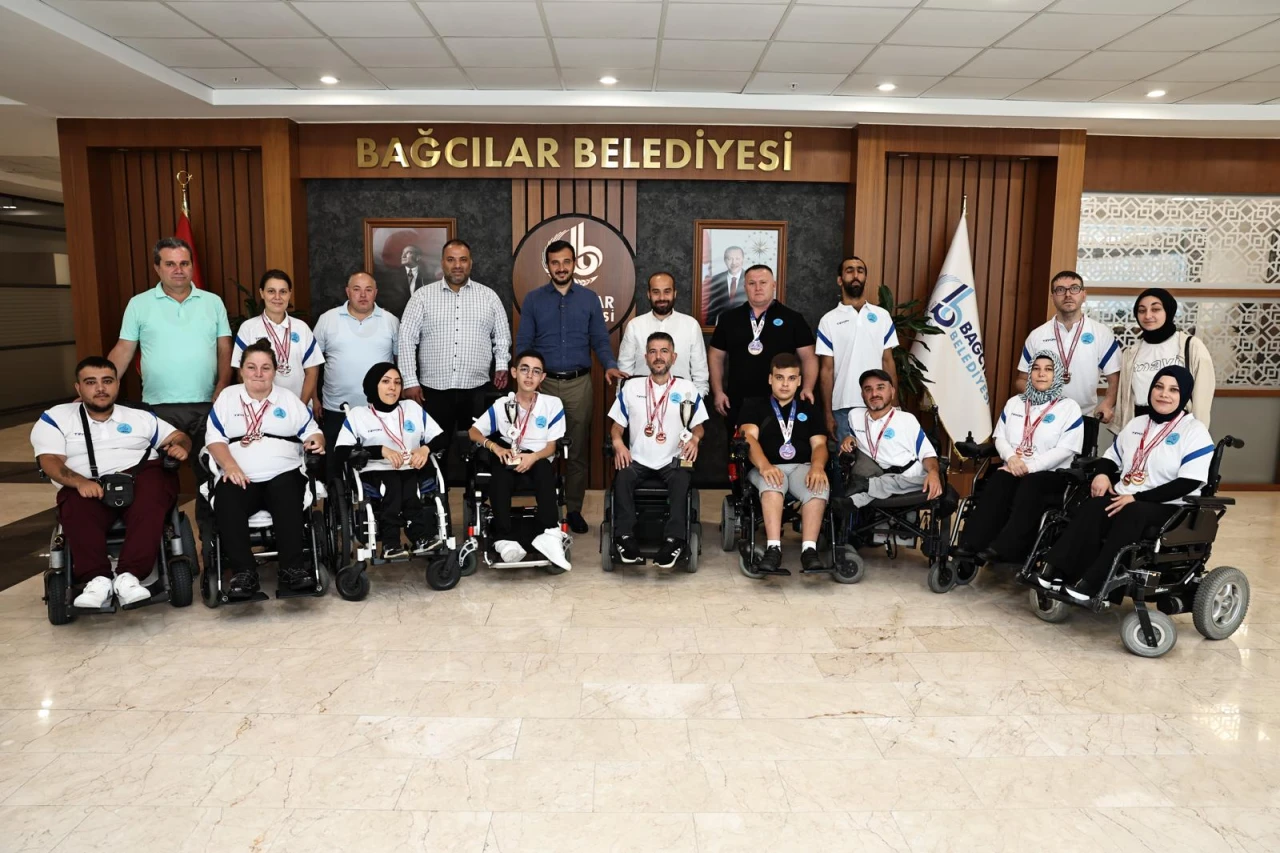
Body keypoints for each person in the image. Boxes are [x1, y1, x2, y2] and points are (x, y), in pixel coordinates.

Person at [1036, 365, 1213, 602]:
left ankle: (1096, 581)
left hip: (1168, 505)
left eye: (1174, 390)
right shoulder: (1137, 424)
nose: (1164, 394)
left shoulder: (1194, 431)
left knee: (1132, 512)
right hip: (1127, 497)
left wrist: (1137, 497)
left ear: (1185, 396)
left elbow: (1189, 482)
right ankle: (1058, 569)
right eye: (1159, 387)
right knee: (1093, 506)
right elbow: (1111, 458)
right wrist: (1102, 474)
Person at [32, 356, 192, 608]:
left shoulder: (139, 416)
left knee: (154, 493)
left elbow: (178, 436)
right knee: (76, 506)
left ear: (117, 384)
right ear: (78, 388)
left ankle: (129, 578)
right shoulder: (56, 418)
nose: (100, 388)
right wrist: (79, 482)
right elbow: (49, 460)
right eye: (91, 382)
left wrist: (181, 446)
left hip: (139, 476)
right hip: (86, 483)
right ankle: (97, 580)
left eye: (107, 381)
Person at [108, 236, 231, 531]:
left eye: (184, 263)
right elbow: (124, 350)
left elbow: (225, 349)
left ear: (192, 266)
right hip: (158, 407)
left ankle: (212, 542)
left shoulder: (212, 302)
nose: (178, 269)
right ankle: (164, 540)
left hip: (207, 405)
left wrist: (222, 386)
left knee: (211, 476)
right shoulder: (139, 304)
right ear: (157, 268)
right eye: (170, 264)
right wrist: (100, 387)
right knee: (159, 480)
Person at [515, 239, 627, 534]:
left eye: (566, 262)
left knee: (576, 451)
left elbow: (600, 339)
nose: (561, 267)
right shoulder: (533, 300)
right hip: (542, 386)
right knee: (541, 448)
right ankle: (546, 509)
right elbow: (524, 342)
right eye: (555, 263)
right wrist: (525, 380)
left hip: (579, 384)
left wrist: (609, 364)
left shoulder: (589, 299)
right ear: (547, 266)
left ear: (575, 263)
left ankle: (574, 509)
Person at [205, 340, 325, 600]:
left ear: (275, 371)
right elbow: (214, 439)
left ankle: (292, 570)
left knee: (287, 492)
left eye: (265, 368)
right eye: (251, 367)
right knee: (227, 498)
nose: (258, 373)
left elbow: (312, 430)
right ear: (241, 370)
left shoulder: (288, 399)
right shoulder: (228, 398)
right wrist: (230, 466)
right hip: (240, 475)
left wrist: (316, 441)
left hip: (284, 472)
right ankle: (244, 574)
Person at [955, 351, 1083, 565]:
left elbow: (1065, 450)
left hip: (1051, 474)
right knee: (999, 480)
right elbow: (1000, 437)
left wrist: (1029, 467)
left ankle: (1004, 549)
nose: (1041, 374)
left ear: (1058, 375)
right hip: (1014, 467)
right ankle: (972, 544)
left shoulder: (1069, 408)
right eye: (1036, 369)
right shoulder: (1014, 403)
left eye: (1048, 369)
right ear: (1030, 373)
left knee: (1031, 484)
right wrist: (1012, 459)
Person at [398, 239, 510, 453]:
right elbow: (406, 339)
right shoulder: (422, 297)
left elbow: (502, 336)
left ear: (471, 263)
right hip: (433, 390)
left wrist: (502, 365)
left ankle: (474, 477)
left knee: (477, 450)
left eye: (463, 260)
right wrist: (409, 380)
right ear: (442, 263)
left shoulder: (489, 297)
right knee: (433, 449)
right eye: (451, 260)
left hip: (476, 388)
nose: (457, 265)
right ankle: (438, 477)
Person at [608, 332, 709, 568]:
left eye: (664, 351)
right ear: (646, 357)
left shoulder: (687, 388)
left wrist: (695, 439)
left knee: (682, 478)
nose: (658, 356)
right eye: (653, 351)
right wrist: (618, 443)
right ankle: (625, 538)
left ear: (674, 357)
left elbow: (699, 427)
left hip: (673, 459)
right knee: (622, 477)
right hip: (638, 458)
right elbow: (616, 426)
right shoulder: (631, 387)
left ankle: (674, 541)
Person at [467, 350, 571, 570]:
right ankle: (504, 539)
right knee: (500, 470)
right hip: (509, 455)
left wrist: (532, 457)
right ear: (514, 372)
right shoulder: (503, 404)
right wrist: (495, 447)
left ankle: (549, 534)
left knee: (543, 468)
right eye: (524, 369)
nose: (529, 376)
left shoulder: (552, 404)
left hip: (537, 457)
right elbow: (473, 432)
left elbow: (551, 446)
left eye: (536, 371)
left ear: (542, 377)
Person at [335, 363, 443, 558]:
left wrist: (425, 449)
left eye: (397, 382)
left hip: (410, 468)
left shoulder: (411, 408)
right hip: (375, 470)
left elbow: (441, 437)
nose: (393, 387)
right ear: (373, 385)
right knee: (392, 485)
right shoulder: (359, 415)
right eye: (386, 382)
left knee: (411, 485)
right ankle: (390, 543)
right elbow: (341, 451)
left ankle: (420, 538)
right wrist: (380, 450)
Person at [738, 353, 829, 575]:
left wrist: (817, 467)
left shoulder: (809, 409)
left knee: (818, 486)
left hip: (801, 467)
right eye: (780, 377)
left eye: (791, 378)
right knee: (772, 485)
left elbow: (819, 445)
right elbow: (748, 438)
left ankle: (809, 550)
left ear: (799, 381)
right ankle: (773, 549)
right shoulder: (754, 405)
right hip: (766, 466)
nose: (785, 384)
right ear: (770, 379)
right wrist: (765, 466)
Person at [1015, 271, 1119, 454]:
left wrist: (1108, 403)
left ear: (1083, 294)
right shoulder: (1038, 335)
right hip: (1043, 418)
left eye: (1074, 289)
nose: (1068, 294)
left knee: (1080, 469)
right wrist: (1042, 400)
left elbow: (1115, 378)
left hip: (1084, 418)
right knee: (1040, 467)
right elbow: (1021, 380)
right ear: (1052, 297)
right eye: (1060, 290)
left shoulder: (1101, 333)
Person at [709, 263, 818, 435]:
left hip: (782, 400)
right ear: (744, 287)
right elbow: (715, 356)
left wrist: (808, 388)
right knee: (740, 448)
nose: (758, 288)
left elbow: (809, 357)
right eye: (752, 283)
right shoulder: (728, 319)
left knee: (776, 446)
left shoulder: (793, 319)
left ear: (773, 285)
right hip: (738, 400)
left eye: (763, 282)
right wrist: (718, 392)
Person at [312, 272, 400, 459]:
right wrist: (314, 398)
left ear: (375, 292)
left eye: (368, 290)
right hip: (336, 408)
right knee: (335, 462)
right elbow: (312, 364)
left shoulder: (391, 321)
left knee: (378, 462)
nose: (363, 295)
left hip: (379, 409)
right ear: (347, 292)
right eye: (357, 289)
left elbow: (400, 361)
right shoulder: (327, 319)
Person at [817, 255, 898, 441]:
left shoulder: (882, 316)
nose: (855, 275)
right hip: (843, 406)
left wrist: (894, 404)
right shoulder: (828, 320)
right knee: (846, 458)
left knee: (881, 457)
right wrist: (827, 413)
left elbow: (888, 362)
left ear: (865, 278)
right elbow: (826, 370)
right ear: (840, 280)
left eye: (860, 271)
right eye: (849, 271)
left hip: (880, 403)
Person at [835, 370, 943, 509]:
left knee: (921, 480)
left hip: (909, 477)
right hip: (879, 475)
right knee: (881, 483)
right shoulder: (854, 416)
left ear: (892, 391)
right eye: (868, 389)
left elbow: (927, 454)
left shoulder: (907, 420)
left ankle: (864, 491)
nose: (874, 394)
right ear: (862, 394)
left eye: (880, 387)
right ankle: (868, 489)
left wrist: (933, 473)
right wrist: (850, 438)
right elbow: (853, 436)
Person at [1114, 287, 1215, 431]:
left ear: (1168, 311)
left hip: (1179, 426)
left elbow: (1202, 396)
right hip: (1139, 425)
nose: (1148, 315)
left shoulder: (1191, 346)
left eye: (1155, 309)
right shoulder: (1131, 353)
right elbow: (1125, 399)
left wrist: (1198, 431)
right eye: (1142, 310)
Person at [231, 269, 324, 408]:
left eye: (283, 292)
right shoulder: (248, 328)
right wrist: (259, 405)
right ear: (262, 293)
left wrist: (300, 407)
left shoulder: (301, 328)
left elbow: (312, 372)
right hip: (261, 408)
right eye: (271, 291)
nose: (277, 297)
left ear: (290, 294)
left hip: (299, 405)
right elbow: (241, 372)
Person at [618, 271, 709, 396]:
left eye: (667, 291)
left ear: (674, 293)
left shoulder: (691, 325)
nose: (661, 298)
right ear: (649, 294)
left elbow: (700, 373)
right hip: (641, 400)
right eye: (656, 292)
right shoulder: (635, 326)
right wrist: (623, 400)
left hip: (681, 400)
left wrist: (695, 401)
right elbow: (624, 370)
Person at [703, 245, 748, 326]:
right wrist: (709, 329)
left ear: (743, 259)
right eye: (729, 259)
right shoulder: (715, 280)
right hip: (722, 327)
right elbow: (711, 310)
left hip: (746, 327)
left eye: (737, 258)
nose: (734, 262)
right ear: (724, 260)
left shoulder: (751, 279)